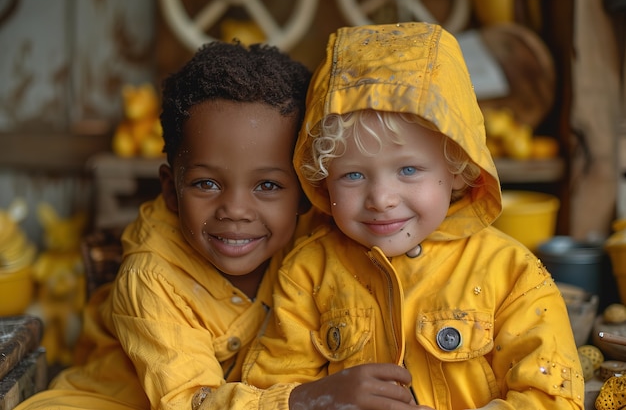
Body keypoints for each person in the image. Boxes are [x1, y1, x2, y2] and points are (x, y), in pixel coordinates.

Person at [238, 22, 586, 410]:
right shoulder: (308, 274)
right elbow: (270, 391)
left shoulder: (511, 275)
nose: (381, 199)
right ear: (324, 180)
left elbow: (549, 396)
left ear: (457, 166)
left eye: (408, 170)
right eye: (353, 175)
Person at [16, 40, 318, 410]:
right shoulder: (150, 275)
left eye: (267, 185)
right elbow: (192, 402)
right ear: (171, 191)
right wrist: (307, 400)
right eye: (206, 184)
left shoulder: (316, 242)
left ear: (305, 192)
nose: (236, 210)